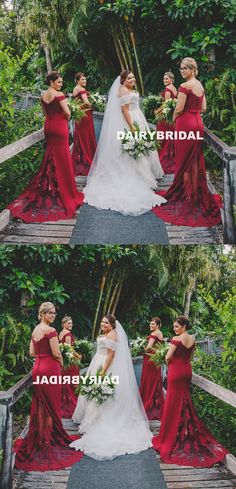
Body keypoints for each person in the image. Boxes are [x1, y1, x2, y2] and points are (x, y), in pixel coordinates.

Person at [83, 70, 166, 216]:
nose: (132, 80)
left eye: (133, 77)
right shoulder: (122, 90)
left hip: (137, 116)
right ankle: (138, 176)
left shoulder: (129, 89)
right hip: (131, 121)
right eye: (129, 78)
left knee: (142, 147)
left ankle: (144, 175)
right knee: (134, 148)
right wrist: (133, 128)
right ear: (122, 80)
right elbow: (125, 111)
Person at [70, 314, 153, 460]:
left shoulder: (113, 335)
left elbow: (110, 355)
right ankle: (92, 420)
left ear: (113, 325)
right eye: (102, 322)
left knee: (102, 392)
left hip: (105, 365)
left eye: (106, 323)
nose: (103, 324)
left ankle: (98, 421)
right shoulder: (106, 333)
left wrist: (102, 372)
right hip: (98, 361)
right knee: (94, 391)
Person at [14, 302, 83, 471]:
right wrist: (60, 364)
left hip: (38, 368)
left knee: (42, 405)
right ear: (42, 314)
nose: (53, 316)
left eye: (54, 313)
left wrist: (44, 356)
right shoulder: (51, 331)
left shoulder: (36, 329)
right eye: (50, 313)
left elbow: (32, 352)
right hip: (50, 369)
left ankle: (41, 438)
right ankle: (50, 439)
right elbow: (57, 353)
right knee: (51, 405)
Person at [153, 58, 221, 227]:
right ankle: (195, 195)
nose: (182, 71)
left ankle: (188, 197)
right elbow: (203, 108)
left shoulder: (185, 87)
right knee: (194, 160)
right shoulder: (199, 85)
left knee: (184, 161)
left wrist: (175, 119)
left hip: (185, 124)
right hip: (197, 123)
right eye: (181, 68)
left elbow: (178, 108)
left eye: (185, 69)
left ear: (192, 69)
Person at [152, 316, 228, 467]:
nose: (175, 329)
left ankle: (171, 435)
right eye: (174, 327)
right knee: (184, 401)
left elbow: (167, 357)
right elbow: (191, 357)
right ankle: (184, 432)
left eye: (177, 327)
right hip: (187, 371)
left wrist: (170, 362)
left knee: (173, 403)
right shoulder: (192, 340)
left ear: (184, 326)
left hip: (175, 371)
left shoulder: (176, 339)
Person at [8, 71, 83, 223]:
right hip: (60, 127)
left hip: (49, 126)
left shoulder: (43, 96)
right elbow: (68, 113)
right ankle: (65, 192)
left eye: (61, 82)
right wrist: (67, 112)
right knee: (62, 159)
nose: (61, 85)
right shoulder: (59, 95)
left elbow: (44, 112)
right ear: (52, 82)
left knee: (51, 156)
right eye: (59, 82)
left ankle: (51, 187)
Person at [71, 72, 97, 176]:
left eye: (85, 79)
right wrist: (95, 104)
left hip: (80, 116)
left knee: (81, 136)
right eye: (82, 80)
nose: (84, 81)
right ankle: (87, 159)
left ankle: (80, 158)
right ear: (77, 81)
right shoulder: (81, 89)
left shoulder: (75, 89)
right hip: (85, 116)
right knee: (87, 137)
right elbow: (86, 102)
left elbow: (77, 103)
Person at [139, 317, 165, 420]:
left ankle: (148, 402)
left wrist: (140, 350)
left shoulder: (154, 334)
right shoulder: (160, 333)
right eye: (150, 324)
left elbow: (149, 347)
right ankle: (155, 403)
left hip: (150, 359)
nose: (151, 325)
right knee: (154, 381)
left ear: (158, 325)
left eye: (153, 324)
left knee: (148, 381)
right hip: (155, 360)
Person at [59, 316, 80, 418]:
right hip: (70, 363)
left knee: (66, 384)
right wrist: (78, 355)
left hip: (64, 363)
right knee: (72, 384)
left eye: (71, 323)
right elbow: (69, 349)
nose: (70, 325)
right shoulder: (67, 334)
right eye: (68, 323)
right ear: (63, 324)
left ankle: (64, 405)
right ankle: (71, 408)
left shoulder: (60, 333)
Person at [156, 71, 177, 174]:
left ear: (172, 79)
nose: (164, 80)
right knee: (170, 139)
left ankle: (165, 163)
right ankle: (172, 160)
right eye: (164, 78)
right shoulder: (175, 89)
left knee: (163, 139)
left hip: (165, 119)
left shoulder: (168, 90)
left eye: (167, 78)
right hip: (171, 119)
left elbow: (166, 106)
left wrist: (157, 111)